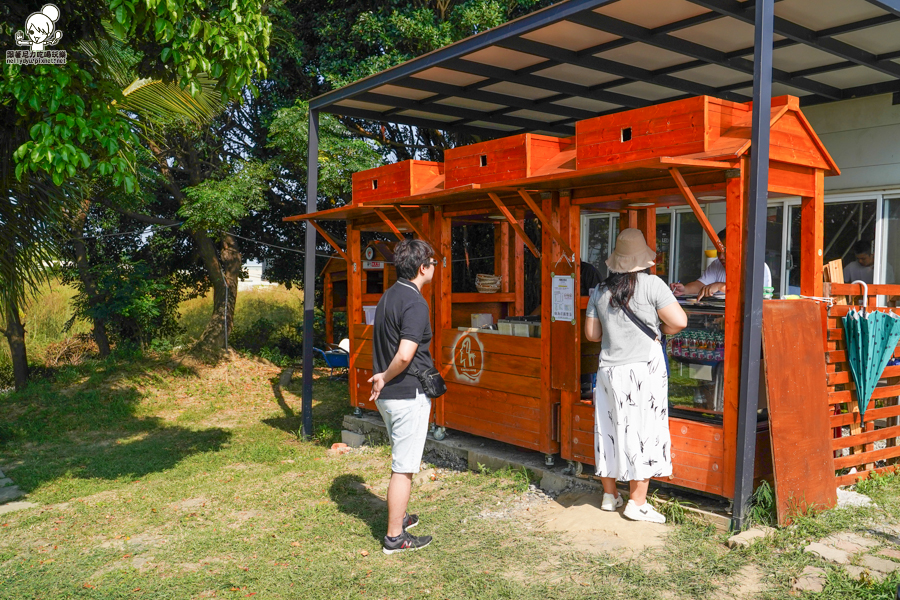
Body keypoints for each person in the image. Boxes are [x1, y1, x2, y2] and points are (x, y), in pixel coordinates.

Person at [584, 229, 687, 523]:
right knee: (644, 431)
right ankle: (637, 502)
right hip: (643, 368)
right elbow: (679, 321)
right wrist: (661, 331)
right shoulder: (653, 285)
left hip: (608, 369)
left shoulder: (600, 291)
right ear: (644, 258)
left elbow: (592, 335)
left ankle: (609, 496)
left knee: (608, 428)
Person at [368, 239, 438, 554]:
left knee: (401, 458)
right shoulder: (415, 303)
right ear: (422, 268)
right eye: (434, 262)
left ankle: (401, 517)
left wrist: (382, 380)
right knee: (404, 467)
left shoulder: (388, 296)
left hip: (389, 395)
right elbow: (406, 354)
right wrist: (384, 376)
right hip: (405, 393)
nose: (435, 267)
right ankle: (395, 537)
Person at [670, 228, 772, 300]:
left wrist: (720, 286)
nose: (720, 257)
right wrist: (684, 290)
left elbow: (753, 296)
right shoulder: (717, 264)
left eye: (725, 251)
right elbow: (701, 284)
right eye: (718, 251)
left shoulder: (758, 267)